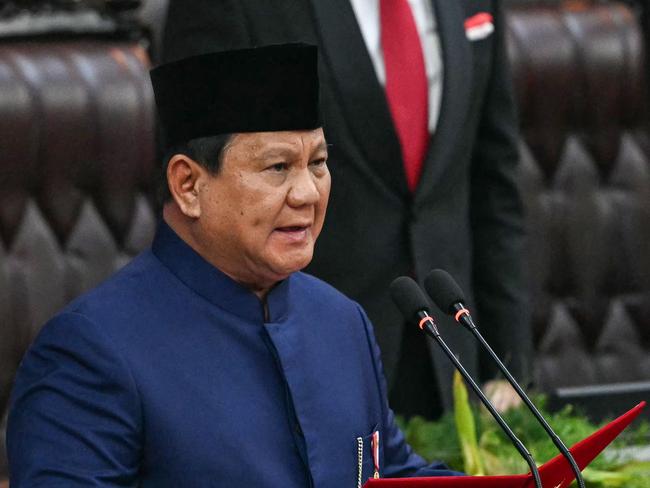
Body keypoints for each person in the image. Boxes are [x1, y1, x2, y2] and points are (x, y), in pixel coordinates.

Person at [7, 44, 462, 487]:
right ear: (188, 185)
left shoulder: (341, 323)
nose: (307, 193)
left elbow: (394, 476)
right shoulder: (90, 352)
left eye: (318, 163)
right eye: (278, 167)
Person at [162, 0, 531, 418]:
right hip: (292, 372)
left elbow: (493, 184)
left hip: (449, 357)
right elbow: (198, 198)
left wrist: (507, 363)